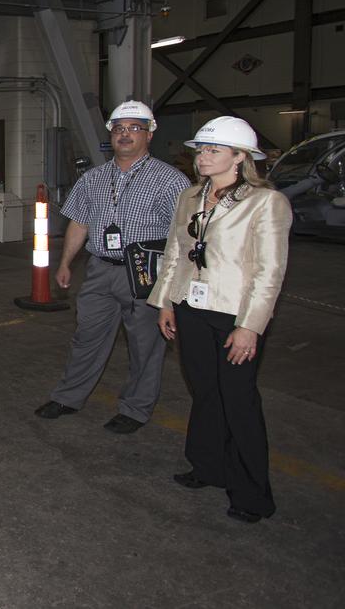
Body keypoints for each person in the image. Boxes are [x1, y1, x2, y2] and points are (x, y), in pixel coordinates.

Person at [149, 116, 291, 523]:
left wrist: (250, 326)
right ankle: (207, 466)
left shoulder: (266, 202)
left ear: (240, 157)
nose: (202, 156)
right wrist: (165, 303)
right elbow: (177, 253)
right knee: (205, 392)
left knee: (239, 400)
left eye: (213, 150)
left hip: (235, 314)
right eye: (201, 149)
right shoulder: (191, 196)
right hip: (191, 309)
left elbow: (270, 271)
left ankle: (251, 493)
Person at [34, 101, 189, 433]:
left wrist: (172, 283)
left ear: (149, 134)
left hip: (145, 272)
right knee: (86, 337)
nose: (125, 135)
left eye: (134, 128)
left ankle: (135, 409)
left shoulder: (170, 180)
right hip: (100, 270)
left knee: (145, 344)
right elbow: (79, 222)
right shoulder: (94, 178)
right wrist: (66, 263)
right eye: (119, 128)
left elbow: (182, 236)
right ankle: (68, 397)